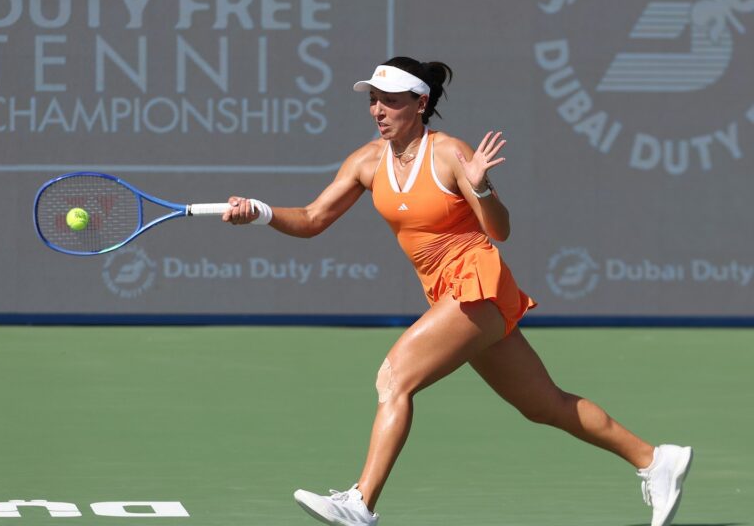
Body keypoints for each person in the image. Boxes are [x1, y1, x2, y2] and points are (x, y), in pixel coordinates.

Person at [221, 56, 692, 526]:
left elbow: (500, 231)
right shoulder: (366, 162)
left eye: (390, 100)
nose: (377, 110)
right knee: (543, 404)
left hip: (476, 281)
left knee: (395, 378)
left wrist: (481, 187)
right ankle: (655, 460)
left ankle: (361, 502)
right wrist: (260, 211)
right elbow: (312, 219)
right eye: (373, 100)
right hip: (448, 295)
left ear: (420, 103)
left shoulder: (448, 153)